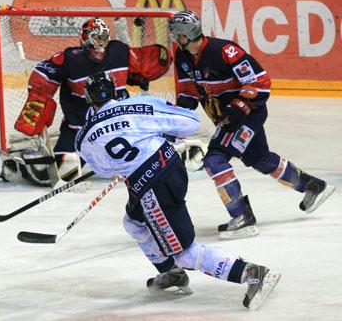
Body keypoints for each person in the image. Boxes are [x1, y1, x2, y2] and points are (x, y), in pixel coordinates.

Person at [75, 72, 280, 310]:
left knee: (184, 252)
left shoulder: (83, 137)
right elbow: (191, 123)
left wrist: (121, 164)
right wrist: (162, 132)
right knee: (133, 222)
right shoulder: (138, 105)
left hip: (152, 186)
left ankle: (251, 273)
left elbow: (103, 168)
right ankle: (172, 274)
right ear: (115, 90)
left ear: (88, 99)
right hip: (170, 167)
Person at [168, 10, 335, 239]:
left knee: (215, 159)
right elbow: (188, 93)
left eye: (176, 34)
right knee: (260, 158)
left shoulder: (224, 51)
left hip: (246, 114)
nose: (174, 39)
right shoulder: (183, 57)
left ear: (185, 35)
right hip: (228, 118)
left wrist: (239, 106)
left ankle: (242, 215)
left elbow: (260, 80)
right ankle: (313, 186)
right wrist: (175, 122)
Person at [6, 16, 171, 186]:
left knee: (153, 159)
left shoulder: (120, 52)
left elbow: (144, 61)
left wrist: (143, 71)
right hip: (81, 130)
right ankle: (18, 168)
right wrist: (39, 97)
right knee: (58, 172)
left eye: (104, 38)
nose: (101, 44)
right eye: (96, 38)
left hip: (120, 127)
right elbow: (42, 75)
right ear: (85, 38)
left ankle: (173, 147)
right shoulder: (70, 59)